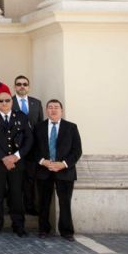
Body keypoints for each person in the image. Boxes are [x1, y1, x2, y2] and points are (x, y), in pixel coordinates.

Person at [0, 92, 32, 237]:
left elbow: (29, 139)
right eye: (1, 101)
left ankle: (19, 226)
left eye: (7, 100)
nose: (4, 103)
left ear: (12, 101)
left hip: (17, 163)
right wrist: (4, 158)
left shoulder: (21, 116)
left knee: (16, 195)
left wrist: (16, 156)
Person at [34, 100, 82, 241]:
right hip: (44, 170)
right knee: (43, 202)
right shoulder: (38, 127)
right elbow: (33, 148)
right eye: (50, 107)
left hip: (65, 171)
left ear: (62, 111)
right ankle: (43, 229)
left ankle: (67, 231)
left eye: (56, 107)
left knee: (65, 202)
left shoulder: (71, 127)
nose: (53, 110)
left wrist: (63, 164)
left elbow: (77, 150)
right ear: (46, 110)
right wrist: (43, 161)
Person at [11, 75, 44, 216]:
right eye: (19, 84)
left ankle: (29, 206)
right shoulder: (9, 101)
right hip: (14, 147)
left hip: (32, 148)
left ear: (28, 87)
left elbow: (40, 125)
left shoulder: (36, 103)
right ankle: (14, 206)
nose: (22, 86)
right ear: (14, 87)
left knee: (30, 178)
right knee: (15, 179)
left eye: (25, 84)